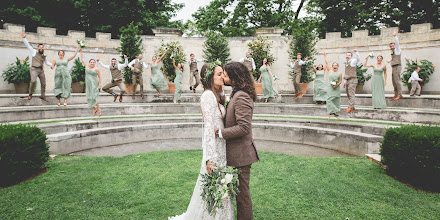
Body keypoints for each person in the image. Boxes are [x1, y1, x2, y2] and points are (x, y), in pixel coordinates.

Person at [169, 62, 234, 219]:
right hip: (214, 152)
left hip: (222, 148)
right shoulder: (207, 96)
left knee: (222, 187)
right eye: (219, 74)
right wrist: (210, 158)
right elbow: (208, 128)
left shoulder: (216, 95)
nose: (223, 77)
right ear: (210, 77)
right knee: (215, 188)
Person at [218, 62, 259, 220]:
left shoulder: (242, 96)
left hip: (242, 155)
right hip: (236, 154)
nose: (224, 77)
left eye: (226, 75)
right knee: (238, 195)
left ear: (234, 77)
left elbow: (244, 127)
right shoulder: (236, 93)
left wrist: (221, 133)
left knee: (242, 197)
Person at [21, 32, 52, 101]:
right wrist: (24, 38)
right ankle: (30, 94)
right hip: (34, 69)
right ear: (38, 48)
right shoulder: (34, 52)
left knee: (43, 83)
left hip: (41, 70)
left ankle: (43, 96)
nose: (41, 48)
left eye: (42, 47)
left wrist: (52, 65)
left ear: (43, 48)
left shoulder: (44, 55)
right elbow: (28, 46)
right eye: (40, 47)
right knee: (33, 81)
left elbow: (47, 62)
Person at [80, 49, 102, 117]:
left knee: (94, 96)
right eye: (91, 62)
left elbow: (100, 77)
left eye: (93, 62)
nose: (92, 63)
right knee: (89, 97)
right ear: (89, 63)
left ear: (94, 63)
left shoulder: (96, 69)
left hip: (94, 84)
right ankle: (93, 109)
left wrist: (99, 85)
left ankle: (98, 109)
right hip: (88, 85)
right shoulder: (86, 66)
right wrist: (80, 50)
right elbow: (82, 59)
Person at [324, 52, 342, 119]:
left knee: (336, 100)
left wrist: (336, 85)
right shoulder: (330, 71)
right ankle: (328, 114)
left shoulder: (339, 73)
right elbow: (327, 63)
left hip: (337, 88)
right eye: (333, 65)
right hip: (330, 88)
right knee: (329, 100)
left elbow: (340, 81)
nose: (335, 66)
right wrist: (325, 56)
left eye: (336, 65)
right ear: (332, 66)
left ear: (337, 66)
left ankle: (336, 114)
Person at [343, 49, 361, 113]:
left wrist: (356, 52)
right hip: (347, 80)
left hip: (352, 80)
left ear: (351, 56)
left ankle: (350, 107)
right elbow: (346, 72)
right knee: (348, 94)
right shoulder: (346, 63)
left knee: (351, 94)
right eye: (346, 55)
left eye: (349, 55)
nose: (347, 56)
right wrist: (344, 82)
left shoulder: (352, 61)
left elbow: (358, 59)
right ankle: (352, 107)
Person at [388, 29, 403, 101]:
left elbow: (397, 44)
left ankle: (400, 94)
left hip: (397, 66)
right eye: (390, 46)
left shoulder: (397, 50)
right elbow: (393, 58)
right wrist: (389, 60)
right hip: (393, 67)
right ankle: (396, 94)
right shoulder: (393, 52)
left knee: (397, 81)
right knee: (394, 81)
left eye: (392, 46)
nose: (392, 47)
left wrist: (395, 36)